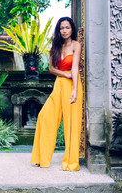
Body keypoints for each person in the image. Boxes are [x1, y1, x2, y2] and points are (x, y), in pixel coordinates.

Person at [30, 17, 83, 171]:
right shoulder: (55, 47)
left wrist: (75, 89)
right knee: (44, 116)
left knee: (71, 123)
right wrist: (64, 75)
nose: (64, 30)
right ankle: (41, 157)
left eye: (67, 27)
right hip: (59, 84)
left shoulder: (75, 45)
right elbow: (51, 69)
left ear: (72, 29)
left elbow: (74, 67)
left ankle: (71, 162)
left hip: (72, 85)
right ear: (59, 30)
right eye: (62, 28)